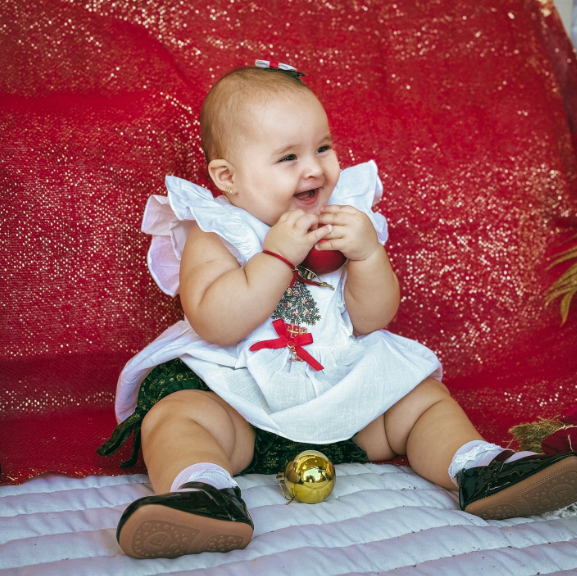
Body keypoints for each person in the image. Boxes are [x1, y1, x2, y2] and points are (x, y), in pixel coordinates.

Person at [99, 61, 577, 560]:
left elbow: (371, 320)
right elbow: (215, 323)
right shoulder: (216, 228)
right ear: (229, 177)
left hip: (343, 404)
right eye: (288, 157)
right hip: (237, 407)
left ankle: (478, 467)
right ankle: (204, 491)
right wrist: (276, 256)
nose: (315, 168)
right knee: (176, 414)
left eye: (323, 147)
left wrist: (368, 256)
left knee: (422, 398)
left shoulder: (344, 217)